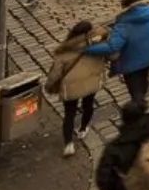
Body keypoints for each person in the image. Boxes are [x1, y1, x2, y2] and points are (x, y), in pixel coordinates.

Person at [83, 0, 149, 108]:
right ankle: (142, 98)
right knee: (144, 75)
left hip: (132, 61)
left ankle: (139, 107)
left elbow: (112, 47)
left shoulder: (123, 25)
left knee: (134, 86)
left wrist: (87, 49)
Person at [44, 20, 109, 157]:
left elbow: (55, 74)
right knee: (88, 105)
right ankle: (83, 128)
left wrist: (49, 87)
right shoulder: (97, 45)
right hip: (91, 82)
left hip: (71, 87)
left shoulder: (64, 51)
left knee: (69, 114)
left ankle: (68, 144)